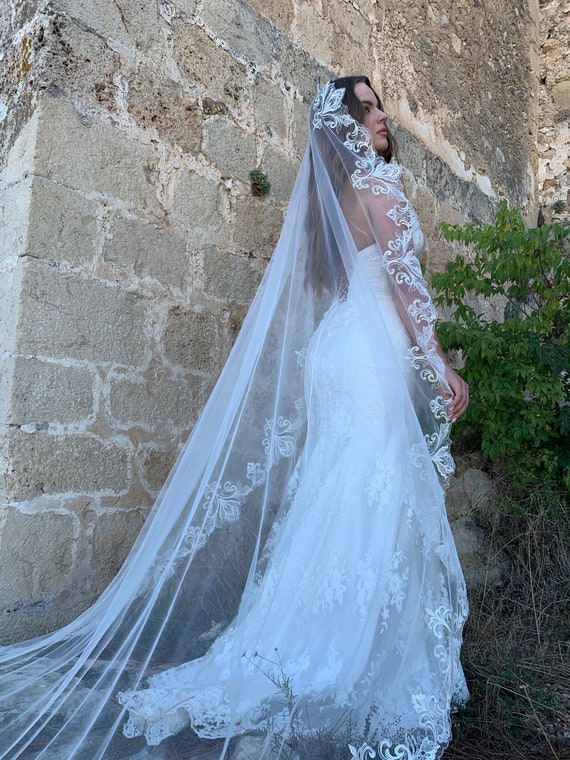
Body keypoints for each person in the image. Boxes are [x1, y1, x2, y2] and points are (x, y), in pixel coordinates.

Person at [0, 76, 469, 759]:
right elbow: (406, 290)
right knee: (376, 491)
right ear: (345, 125)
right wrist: (441, 367)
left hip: (337, 352)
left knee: (335, 492)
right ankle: (340, 653)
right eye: (367, 108)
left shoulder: (328, 199)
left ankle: (294, 640)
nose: (383, 117)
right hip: (369, 357)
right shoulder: (381, 187)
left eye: (381, 106)